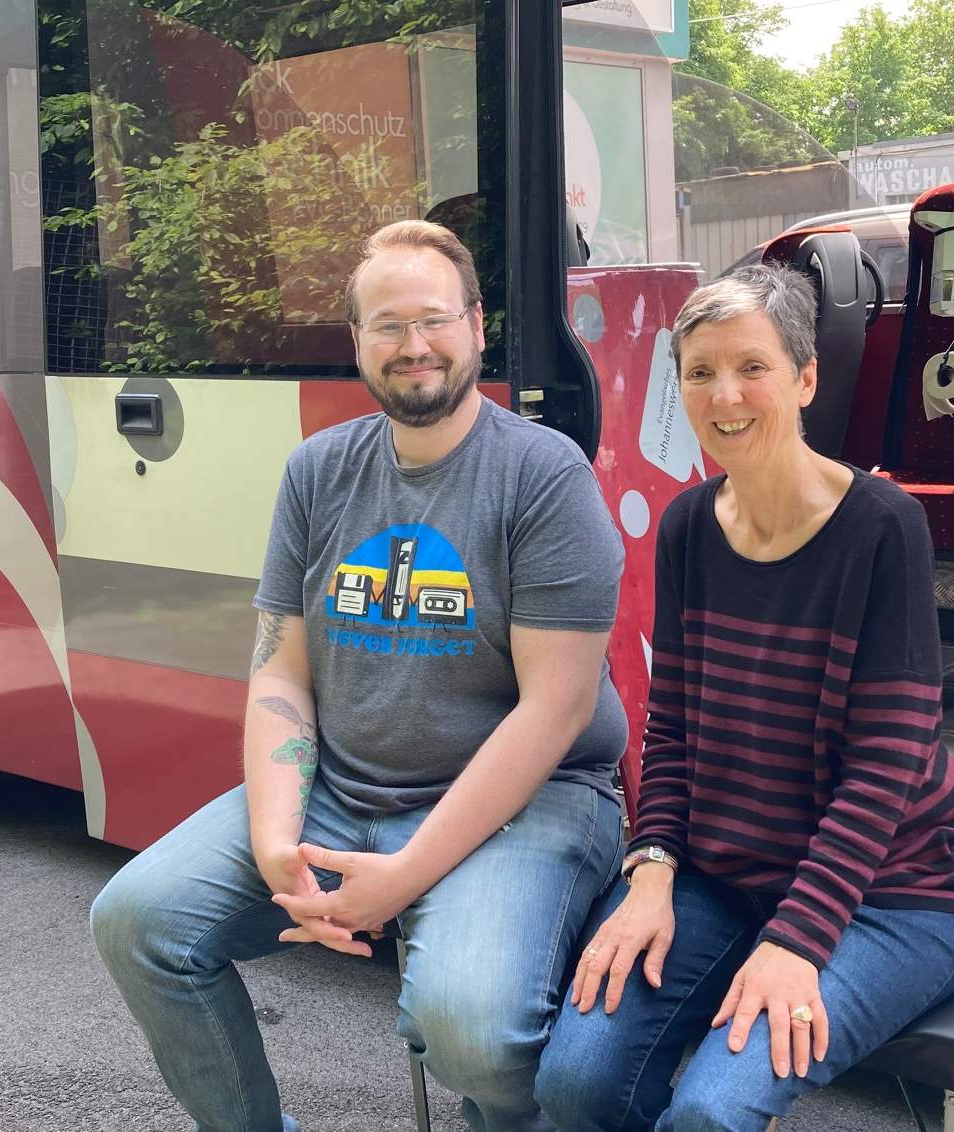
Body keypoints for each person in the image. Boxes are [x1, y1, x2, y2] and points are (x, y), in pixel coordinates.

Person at [91, 219, 628, 1132]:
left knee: (472, 1035)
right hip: (346, 789)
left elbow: (556, 708)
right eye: (386, 325)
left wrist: (405, 873)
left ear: (476, 325)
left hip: (530, 801)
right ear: (356, 341)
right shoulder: (317, 471)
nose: (412, 346)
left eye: (432, 320)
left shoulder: (543, 474)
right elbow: (279, 675)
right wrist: (273, 842)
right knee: (138, 921)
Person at [534, 262, 954, 1132]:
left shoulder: (881, 525)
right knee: (575, 1085)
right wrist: (654, 865)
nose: (725, 395)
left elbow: (885, 765)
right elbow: (668, 729)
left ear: (806, 377)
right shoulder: (685, 527)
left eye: (752, 366)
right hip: (725, 875)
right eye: (699, 372)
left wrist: (794, 939)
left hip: (894, 896)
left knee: (709, 1114)